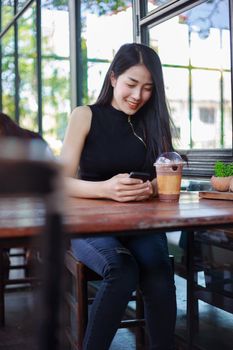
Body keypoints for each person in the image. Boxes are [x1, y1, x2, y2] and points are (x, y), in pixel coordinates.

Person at [60, 43, 177, 350]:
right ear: (113, 78)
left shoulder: (153, 122)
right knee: (122, 271)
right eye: (131, 84)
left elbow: (164, 173)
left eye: (148, 88)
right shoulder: (84, 116)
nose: (138, 96)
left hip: (140, 223)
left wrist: (152, 187)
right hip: (91, 224)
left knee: (159, 272)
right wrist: (104, 189)